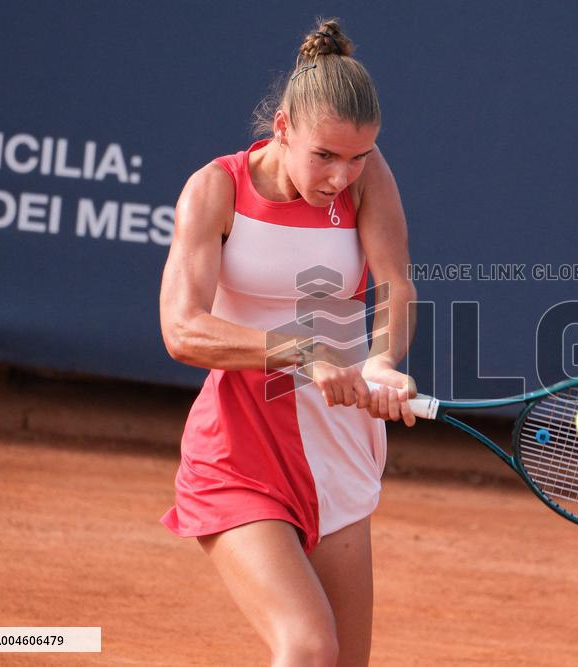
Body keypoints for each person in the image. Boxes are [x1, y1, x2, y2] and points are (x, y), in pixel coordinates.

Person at [158, 18, 417, 666]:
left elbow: (395, 284)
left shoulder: (365, 177)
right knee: (307, 646)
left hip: (337, 455)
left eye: (358, 156)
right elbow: (183, 328)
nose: (341, 176)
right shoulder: (214, 189)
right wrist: (303, 350)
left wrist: (382, 358)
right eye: (325, 156)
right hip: (238, 453)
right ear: (281, 128)